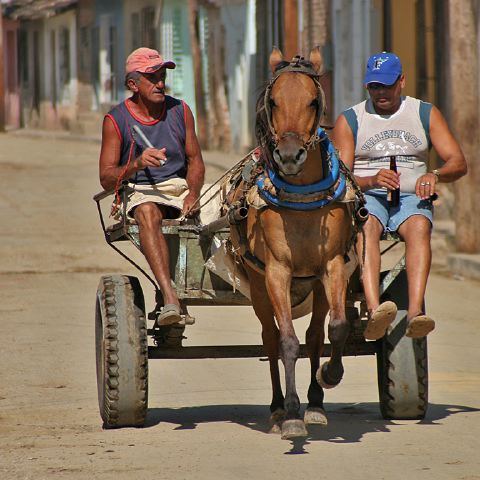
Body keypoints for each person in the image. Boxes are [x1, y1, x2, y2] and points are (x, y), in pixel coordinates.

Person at [333, 52, 467, 339]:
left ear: (402, 81)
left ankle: (416, 313)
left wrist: (435, 175)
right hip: (369, 197)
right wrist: (370, 180)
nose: (381, 93)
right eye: (374, 87)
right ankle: (374, 310)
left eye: (387, 85)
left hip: (410, 197)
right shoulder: (351, 119)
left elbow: (458, 161)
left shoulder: (423, 113)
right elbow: (339, 178)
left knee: (419, 226)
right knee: (366, 225)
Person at [99, 47, 205, 325]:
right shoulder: (116, 120)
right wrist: (136, 163)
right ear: (133, 84)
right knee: (147, 212)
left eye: (162, 76)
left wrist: (193, 194)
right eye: (152, 78)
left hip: (178, 188)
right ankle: (171, 298)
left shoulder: (180, 111)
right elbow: (106, 178)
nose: (160, 83)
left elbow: (195, 161)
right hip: (139, 189)